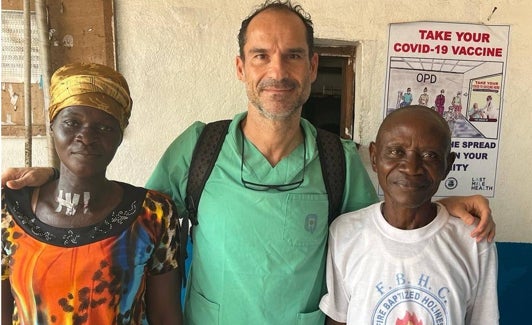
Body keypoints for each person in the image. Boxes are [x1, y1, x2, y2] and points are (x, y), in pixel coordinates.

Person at [2, 1, 495, 324]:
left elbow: (388, 226)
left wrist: (444, 202)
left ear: (312, 67)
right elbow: (134, 215)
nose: (277, 71)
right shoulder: (198, 148)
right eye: (261, 56)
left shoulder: (337, 160)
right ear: (241, 67)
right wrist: (59, 178)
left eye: (292, 56)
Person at [1, 63, 183, 325]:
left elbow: (166, 316)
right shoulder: (8, 209)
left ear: (120, 136)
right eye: (72, 122)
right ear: (52, 126)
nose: (86, 137)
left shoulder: (152, 214)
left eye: (105, 127)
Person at [319, 105, 499, 324]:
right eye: (396, 151)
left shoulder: (473, 241)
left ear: (447, 165)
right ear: (374, 157)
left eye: (429, 155)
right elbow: (338, 318)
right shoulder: (345, 233)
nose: (412, 168)